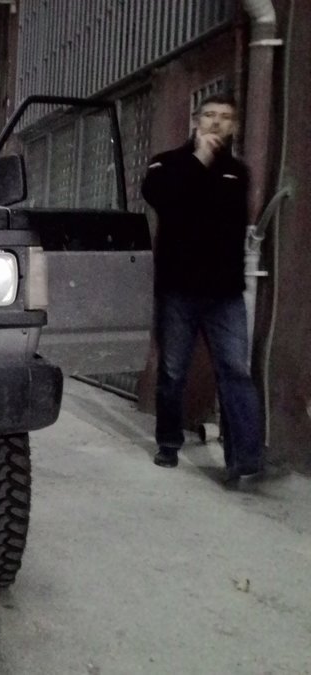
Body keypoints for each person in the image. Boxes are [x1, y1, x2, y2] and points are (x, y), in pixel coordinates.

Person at [141, 93, 265, 484]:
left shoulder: (238, 173)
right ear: (196, 121)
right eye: (209, 115)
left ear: (234, 126)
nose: (216, 122)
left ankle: (244, 458)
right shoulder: (167, 163)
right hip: (178, 289)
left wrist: (209, 173)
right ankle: (168, 443)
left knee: (235, 371)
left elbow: (222, 218)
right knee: (173, 371)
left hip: (224, 293)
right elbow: (162, 199)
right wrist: (199, 161)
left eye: (225, 117)